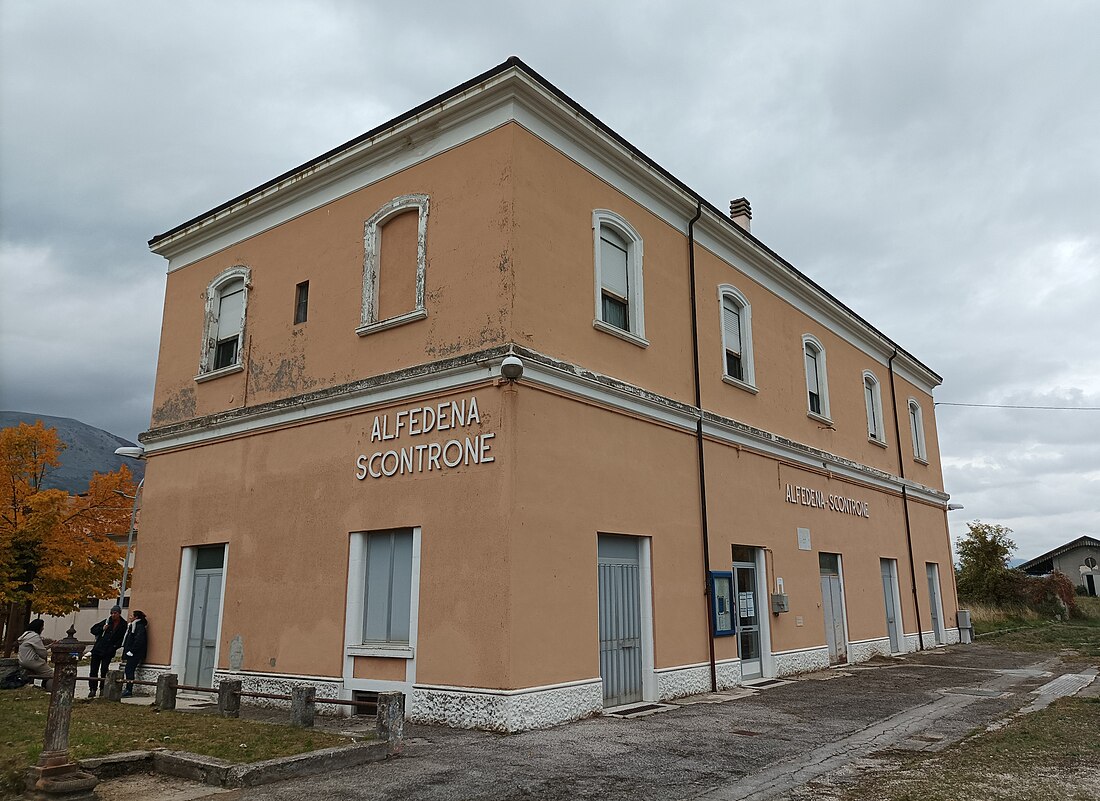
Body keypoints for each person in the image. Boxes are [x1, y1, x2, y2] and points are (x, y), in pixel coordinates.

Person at [87, 605, 126, 698]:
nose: (113, 615)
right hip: (98, 649)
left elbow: (121, 639)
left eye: (115, 613)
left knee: (104, 669)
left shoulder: (123, 624)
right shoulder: (107, 621)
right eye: (112, 613)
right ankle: (92, 688)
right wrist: (102, 629)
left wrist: (114, 647)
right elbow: (93, 630)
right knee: (93, 670)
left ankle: (102, 688)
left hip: (108, 651)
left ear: (119, 613)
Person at [17, 619, 54, 691]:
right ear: (38, 627)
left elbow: (35, 648)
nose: (43, 628)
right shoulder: (34, 637)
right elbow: (42, 652)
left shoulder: (26, 635)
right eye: (42, 626)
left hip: (23, 660)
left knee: (43, 674)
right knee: (51, 674)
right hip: (33, 661)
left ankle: (41, 686)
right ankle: (49, 691)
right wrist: (45, 654)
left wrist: (50, 645)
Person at [120, 610, 147, 698]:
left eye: (132, 615)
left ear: (136, 617)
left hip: (135, 653)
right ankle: (128, 689)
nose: (130, 617)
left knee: (129, 670)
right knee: (128, 670)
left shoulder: (139, 627)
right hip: (132, 652)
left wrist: (132, 651)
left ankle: (129, 690)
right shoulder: (132, 626)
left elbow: (139, 640)